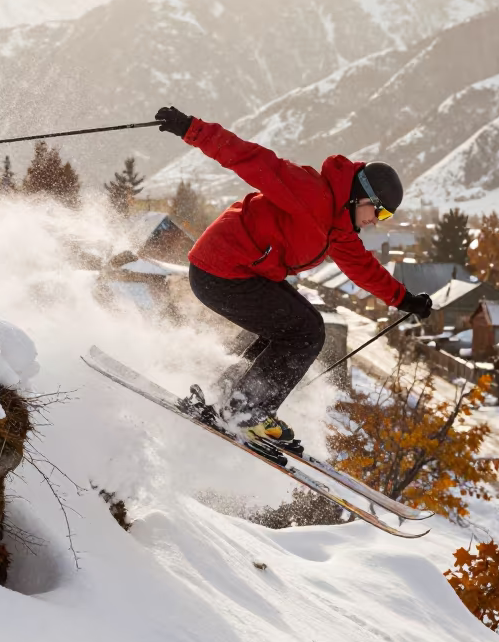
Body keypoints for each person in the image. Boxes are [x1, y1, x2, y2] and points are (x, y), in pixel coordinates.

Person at [154, 106, 433, 454]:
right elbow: (253, 160)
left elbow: (363, 267)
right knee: (305, 331)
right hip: (220, 269)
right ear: (362, 197)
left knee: (296, 327)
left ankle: (230, 397)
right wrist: (190, 129)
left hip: (242, 272)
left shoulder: (339, 227)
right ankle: (246, 411)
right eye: (380, 211)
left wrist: (404, 300)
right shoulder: (311, 192)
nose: (379, 220)